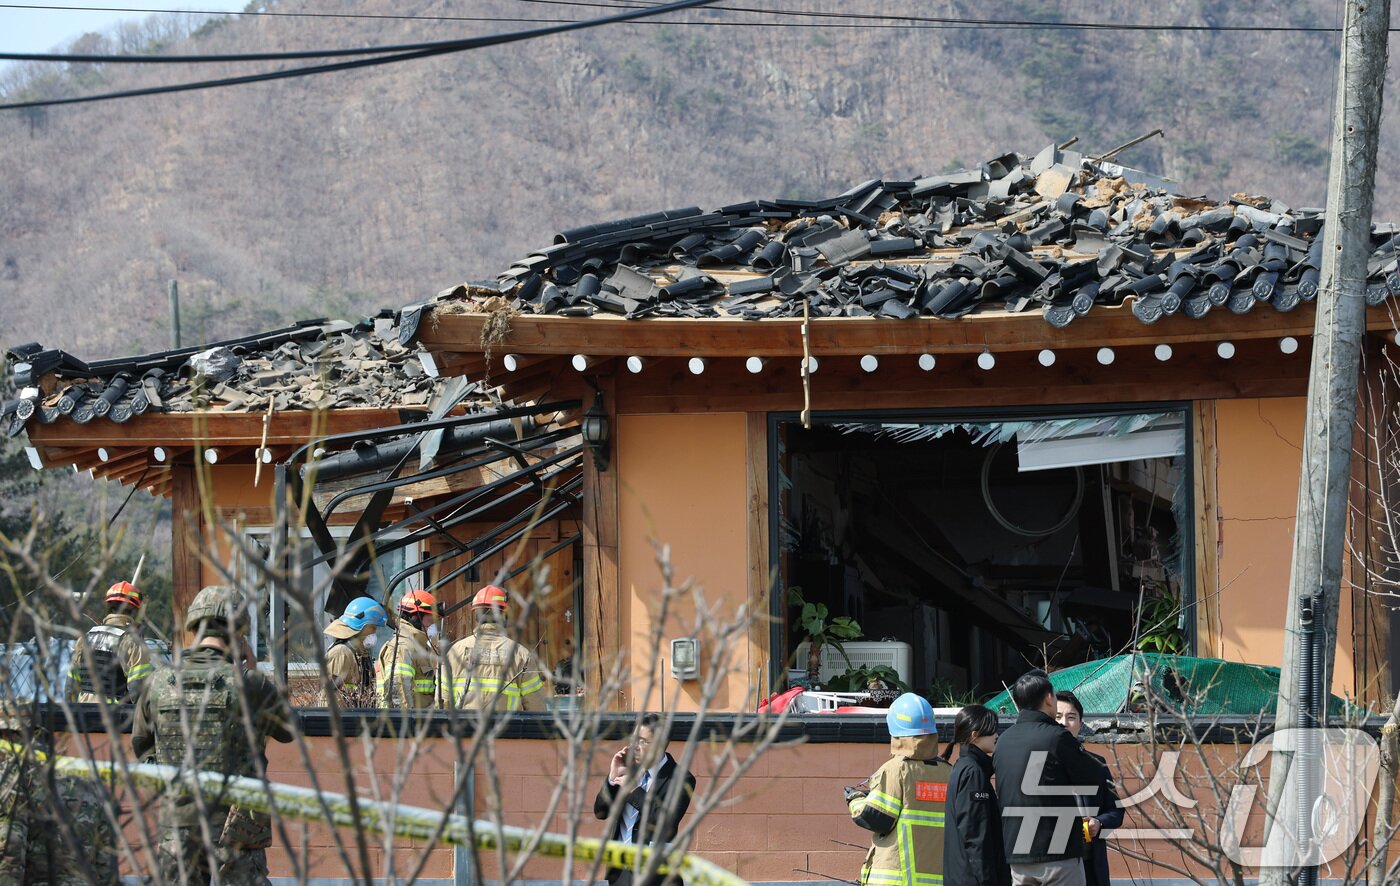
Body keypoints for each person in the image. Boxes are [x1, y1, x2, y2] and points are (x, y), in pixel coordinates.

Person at [132, 584, 294, 884]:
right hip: (237, 833)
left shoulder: (157, 683)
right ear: (238, 633)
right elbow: (288, 730)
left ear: (194, 628)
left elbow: (143, 750)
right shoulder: (249, 684)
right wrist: (253, 671)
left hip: (176, 832)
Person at [994, 670, 1107, 886]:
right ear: (1048, 698)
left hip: (1018, 855)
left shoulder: (1003, 742)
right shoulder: (1057, 737)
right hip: (1058, 852)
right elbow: (1091, 778)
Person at [0, 701, 119, 885]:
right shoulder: (84, 777)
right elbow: (107, 863)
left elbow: (9, 851)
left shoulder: (15, 775)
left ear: (8, 735)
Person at [845, 692, 951, 886]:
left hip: (897, 878)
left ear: (895, 731)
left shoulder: (896, 769)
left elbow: (877, 818)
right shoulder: (948, 772)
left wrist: (856, 799)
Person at [593, 713, 696, 886]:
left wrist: (633, 790)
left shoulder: (681, 779)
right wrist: (612, 778)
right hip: (619, 874)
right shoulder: (629, 769)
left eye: (642, 741)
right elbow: (600, 812)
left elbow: (665, 822)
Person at [1055, 691, 1123, 886]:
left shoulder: (1096, 764)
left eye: (1071, 717)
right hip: (1053, 866)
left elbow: (1116, 810)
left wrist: (1099, 823)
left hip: (1089, 863)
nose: (1064, 723)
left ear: (1080, 722)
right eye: (1057, 717)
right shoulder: (1039, 763)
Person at [445, 585, 547, 712]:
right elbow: (535, 705)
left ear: (476, 614)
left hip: (465, 730)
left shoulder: (455, 651)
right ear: (504, 614)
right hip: (507, 730)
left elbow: (443, 701)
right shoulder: (520, 654)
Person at [944, 704, 1011, 886]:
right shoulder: (973, 772)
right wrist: (987, 880)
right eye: (991, 731)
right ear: (974, 735)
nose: (996, 735)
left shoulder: (964, 766)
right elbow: (975, 835)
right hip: (974, 879)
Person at [67, 580, 154, 704]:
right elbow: (138, 694)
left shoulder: (85, 639)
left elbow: (70, 689)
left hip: (84, 717)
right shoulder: (132, 643)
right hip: (115, 718)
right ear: (135, 611)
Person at [376, 589, 440, 708]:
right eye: (430, 620)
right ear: (415, 618)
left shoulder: (417, 646)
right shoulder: (403, 647)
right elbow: (398, 695)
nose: (432, 626)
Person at [321, 596, 388, 707]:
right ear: (360, 625)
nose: (375, 632)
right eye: (372, 627)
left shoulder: (359, 655)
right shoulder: (341, 653)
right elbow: (328, 699)